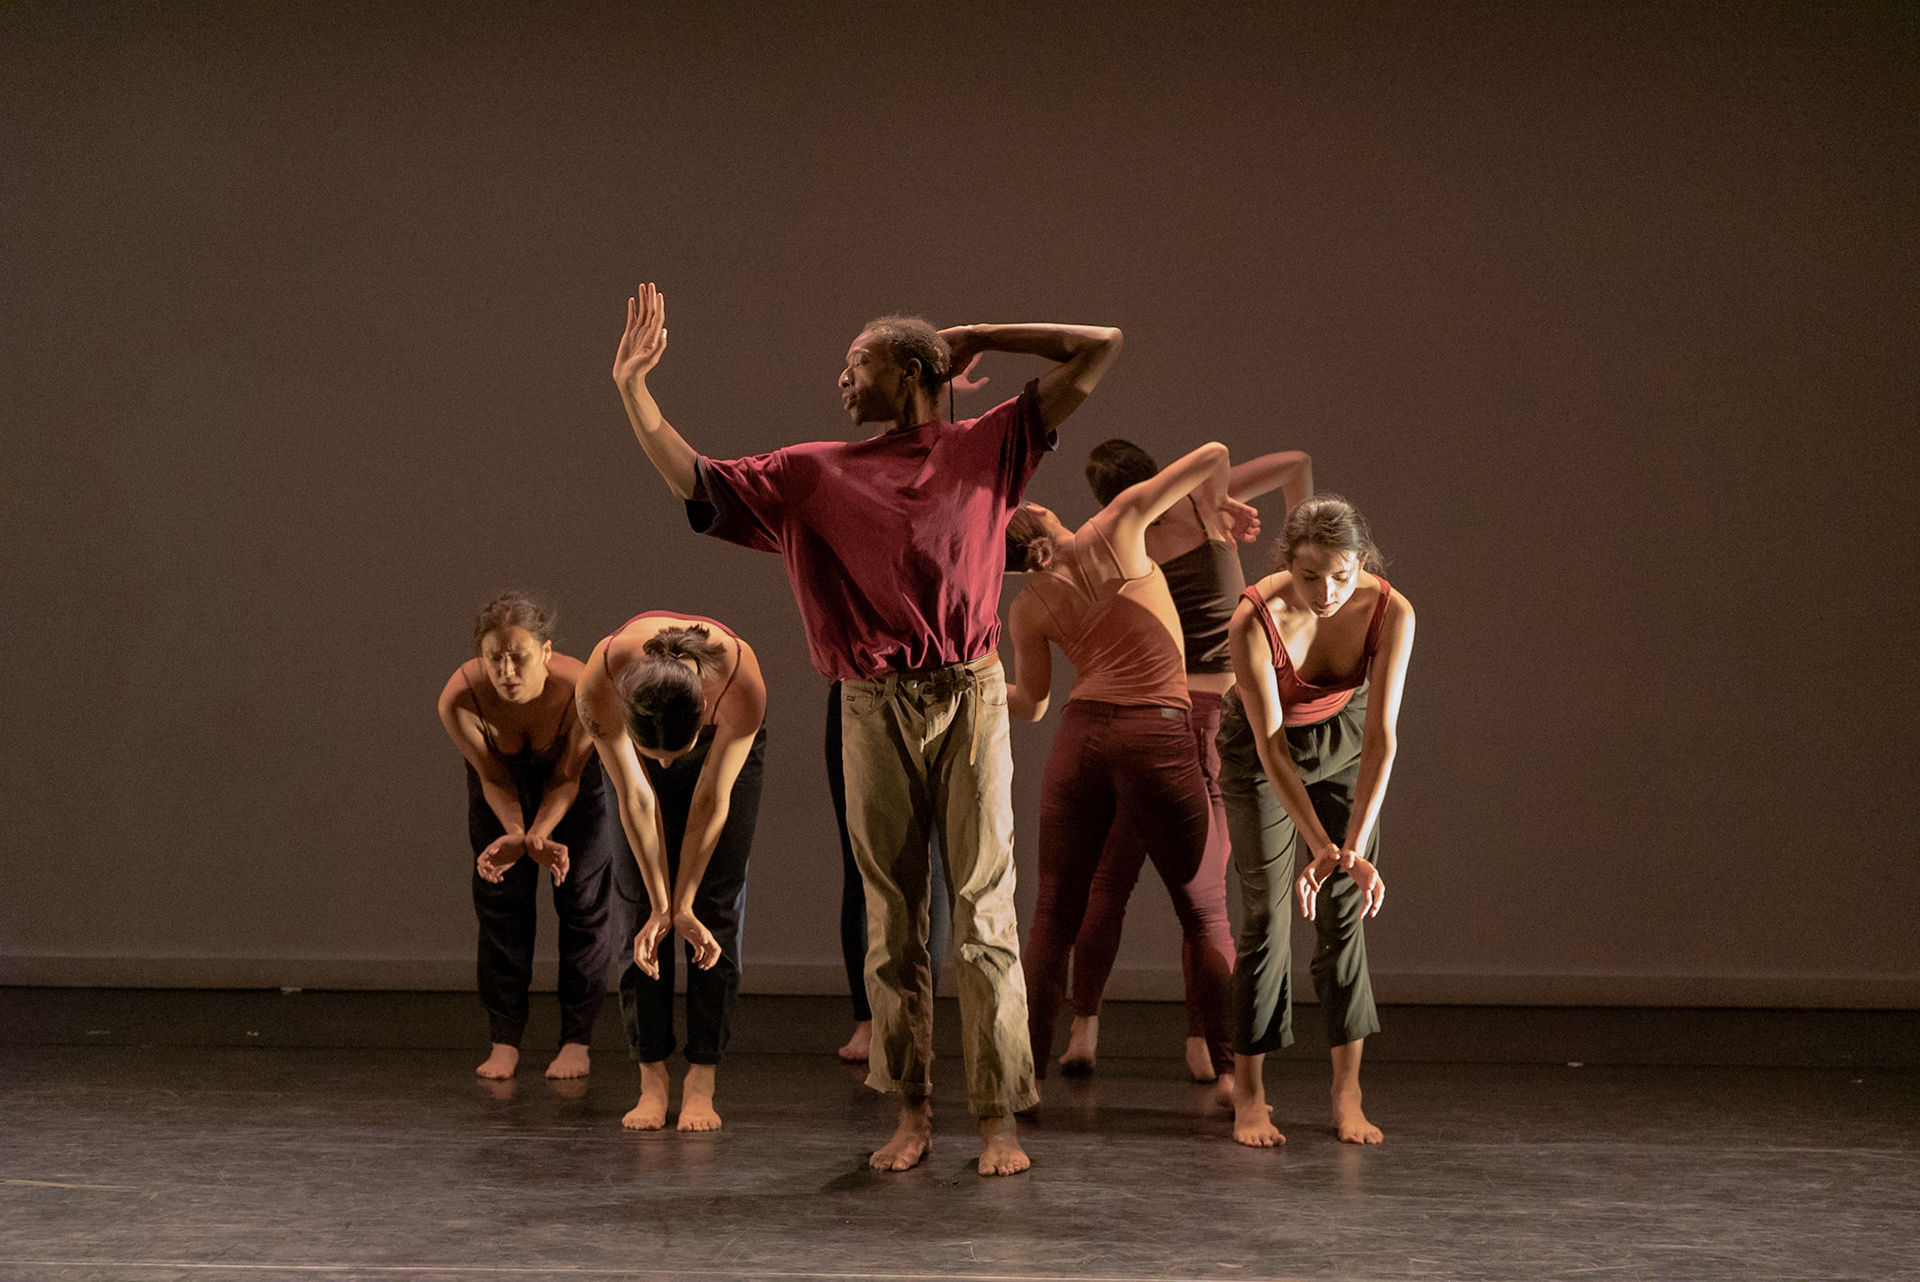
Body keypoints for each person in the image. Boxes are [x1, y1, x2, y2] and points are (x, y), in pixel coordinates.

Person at [611, 282, 1122, 1176]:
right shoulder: (813, 473)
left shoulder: (988, 445)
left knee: (985, 910)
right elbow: (694, 478)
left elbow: (1099, 344)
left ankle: (999, 1121)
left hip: (970, 693)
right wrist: (635, 393)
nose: (841, 376)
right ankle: (913, 1113)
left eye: (860, 361)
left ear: (915, 370)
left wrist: (972, 333)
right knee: (893, 917)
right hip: (870, 703)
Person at [1001, 443, 1257, 1098]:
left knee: (1054, 910)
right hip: (1159, 734)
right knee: (1204, 910)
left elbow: (1029, 705)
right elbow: (1214, 453)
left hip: (1079, 739)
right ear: (1047, 513)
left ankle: (1023, 1075)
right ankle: (1229, 1076)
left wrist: (970, 685)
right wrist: (1219, 499)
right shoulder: (1116, 525)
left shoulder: (1027, 607)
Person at [1059, 440, 1313, 1081]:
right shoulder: (1205, 503)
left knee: (1112, 883)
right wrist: (1297, 569)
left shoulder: (1127, 534)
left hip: (1164, 719)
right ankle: (1206, 1049)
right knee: (1203, 900)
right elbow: (1295, 465)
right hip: (1214, 725)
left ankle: (1083, 1032)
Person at [1219, 495, 1415, 1147]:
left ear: (1362, 562)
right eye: (1309, 575)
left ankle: (1346, 1092)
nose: (1327, 591)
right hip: (1261, 754)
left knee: (1344, 910)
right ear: (1287, 565)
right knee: (1267, 919)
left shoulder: (1391, 612)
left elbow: (1384, 737)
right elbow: (1272, 747)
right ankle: (1251, 1097)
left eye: (1341, 573)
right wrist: (1317, 844)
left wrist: (1349, 851)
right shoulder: (1254, 619)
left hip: (1346, 740)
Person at [575, 609, 768, 1133]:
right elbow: (636, 796)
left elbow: (712, 797)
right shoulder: (601, 681)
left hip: (720, 758)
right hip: (637, 764)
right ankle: (652, 1077)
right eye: (651, 754)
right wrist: (663, 906)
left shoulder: (739, 683)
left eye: (671, 755)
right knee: (637, 905)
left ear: (703, 709)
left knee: (713, 908)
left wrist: (682, 906)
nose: (663, 766)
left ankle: (702, 1078)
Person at [436, 592, 619, 1082]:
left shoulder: (582, 688)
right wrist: (517, 835)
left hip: (573, 790)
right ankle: (504, 1039)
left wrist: (540, 834)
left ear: (545, 651)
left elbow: (567, 777)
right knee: (500, 903)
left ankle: (576, 1039)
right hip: (500, 790)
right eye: (495, 659)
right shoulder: (460, 697)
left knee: (582, 904)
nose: (507, 672)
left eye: (518, 657)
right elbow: (493, 778)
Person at [826, 678, 950, 1064]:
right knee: (867, 866)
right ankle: (875, 1021)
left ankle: (908, 1021)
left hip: (927, 687)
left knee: (913, 869)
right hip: (874, 689)